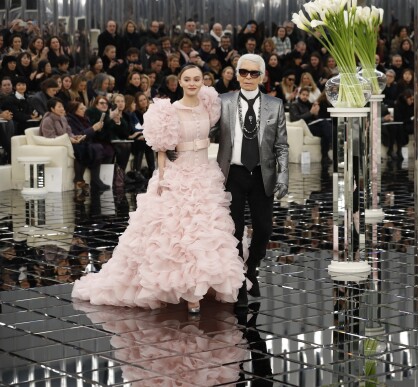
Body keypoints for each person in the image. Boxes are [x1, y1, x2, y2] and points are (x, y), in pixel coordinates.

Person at [71, 65, 247, 314]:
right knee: (177, 235)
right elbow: (161, 149)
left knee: (206, 233)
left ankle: (203, 285)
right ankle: (188, 293)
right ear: (180, 82)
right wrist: (163, 177)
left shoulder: (209, 104)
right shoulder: (169, 111)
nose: (193, 83)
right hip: (179, 172)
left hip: (205, 173)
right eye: (187, 79)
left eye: (197, 79)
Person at [211, 54, 288, 307]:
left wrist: (283, 174)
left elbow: (281, 144)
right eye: (243, 72)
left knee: (264, 228)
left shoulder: (275, 105)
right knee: (234, 229)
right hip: (232, 173)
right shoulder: (223, 102)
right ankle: (238, 281)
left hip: (262, 174)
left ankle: (251, 268)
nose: (248, 77)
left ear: (262, 76)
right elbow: (206, 130)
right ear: (236, 73)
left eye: (254, 73)